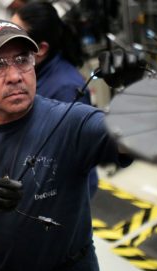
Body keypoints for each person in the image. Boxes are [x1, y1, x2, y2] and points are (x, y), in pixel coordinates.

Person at [0, 19, 132, 271]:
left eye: (22, 60)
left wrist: (136, 95)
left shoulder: (68, 121)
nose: (15, 75)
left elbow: (131, 139)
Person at [11, 1, 99, 198]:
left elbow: (72, 156)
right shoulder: (31, 73)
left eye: (15, 38)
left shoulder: (65, 89)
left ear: (40, 49)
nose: (5, 42)